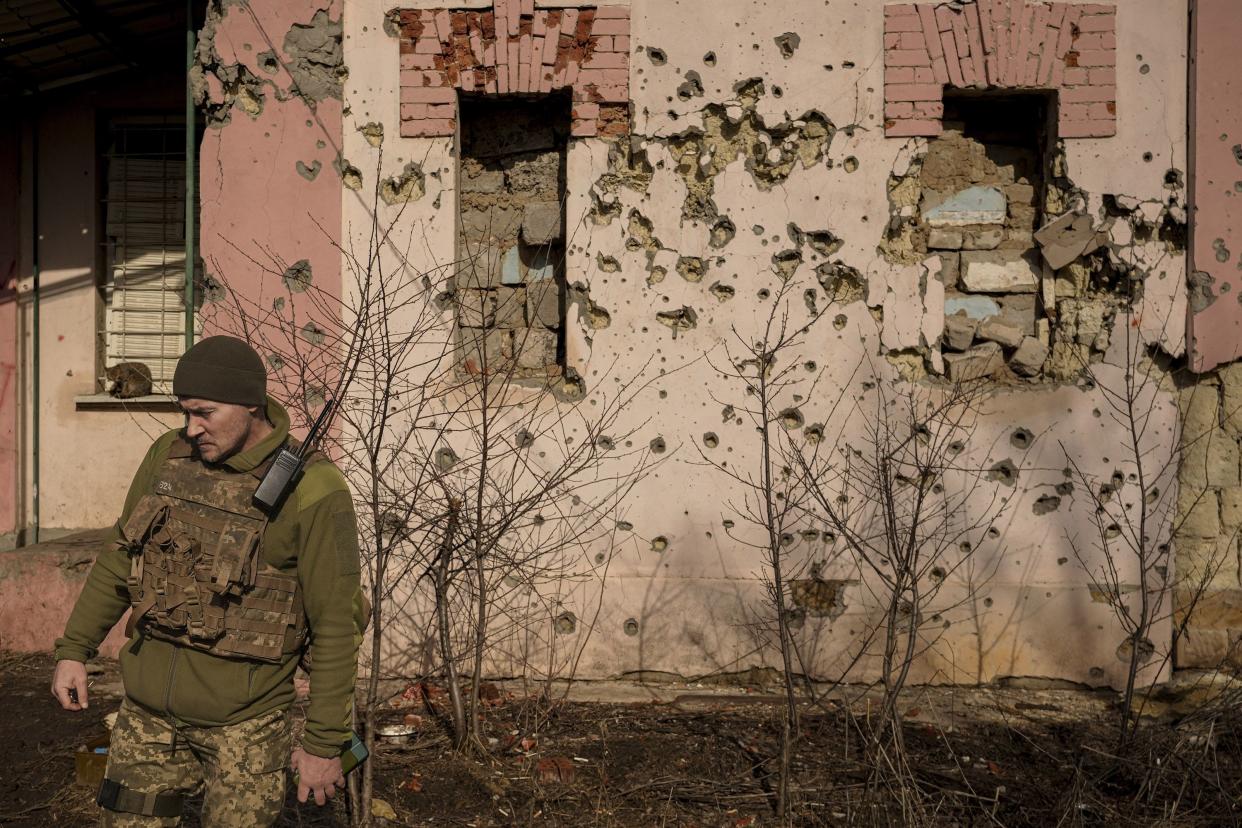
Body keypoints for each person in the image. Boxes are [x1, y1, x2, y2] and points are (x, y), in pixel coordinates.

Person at [50, 336, 363, 826]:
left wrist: (324, 743)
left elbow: (336, 623)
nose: (192, 427)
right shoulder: (167, 457)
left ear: (250, 405)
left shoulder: (315, 488)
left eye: (205, 413)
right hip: (148, 717)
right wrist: (74, 650)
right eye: (185, 412)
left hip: (247, 725)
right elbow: (120, 555)